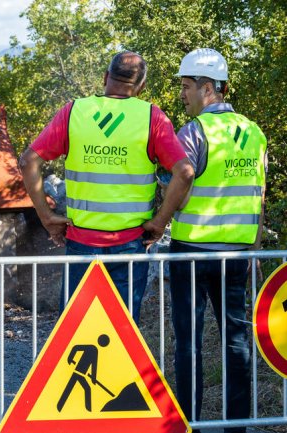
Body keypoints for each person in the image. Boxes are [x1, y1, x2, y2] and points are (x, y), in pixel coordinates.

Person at [20, 51, 194, 323]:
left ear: (105, 78)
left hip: (80, 244)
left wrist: (46, 217)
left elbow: (28, 161)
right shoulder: (152, 118)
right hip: (130, 245)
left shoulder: (74, 112)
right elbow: (184, 172)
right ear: (142, 86)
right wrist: (160, 223)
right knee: (122, 334)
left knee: (75, 333)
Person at [168, 48, 266, 433]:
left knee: (188, 344)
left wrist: (164, 214)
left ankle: (188, 423)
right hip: (237, 255)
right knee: (236, 342)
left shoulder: (194, 132)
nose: (183, 95)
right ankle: (236, 427)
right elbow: (258, 195)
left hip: (191, 252)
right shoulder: (254, 132)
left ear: (208, 88)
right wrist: (256, 249)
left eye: (187, 87)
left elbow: (183, 177)